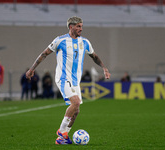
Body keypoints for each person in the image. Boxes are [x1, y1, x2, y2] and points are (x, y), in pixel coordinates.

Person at [26, 16, 111, 145]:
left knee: (76, 111)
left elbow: (95, 56)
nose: (81, 29)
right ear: (71, 27)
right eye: (78, 26)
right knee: (75, 102)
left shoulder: (85, 42)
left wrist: (104, 68)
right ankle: (61, 131)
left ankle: (62, 138)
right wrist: (32, 69)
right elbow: (44, 54)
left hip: (75, 81)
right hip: (63, 78)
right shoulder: (60, 40)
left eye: (81, 26)